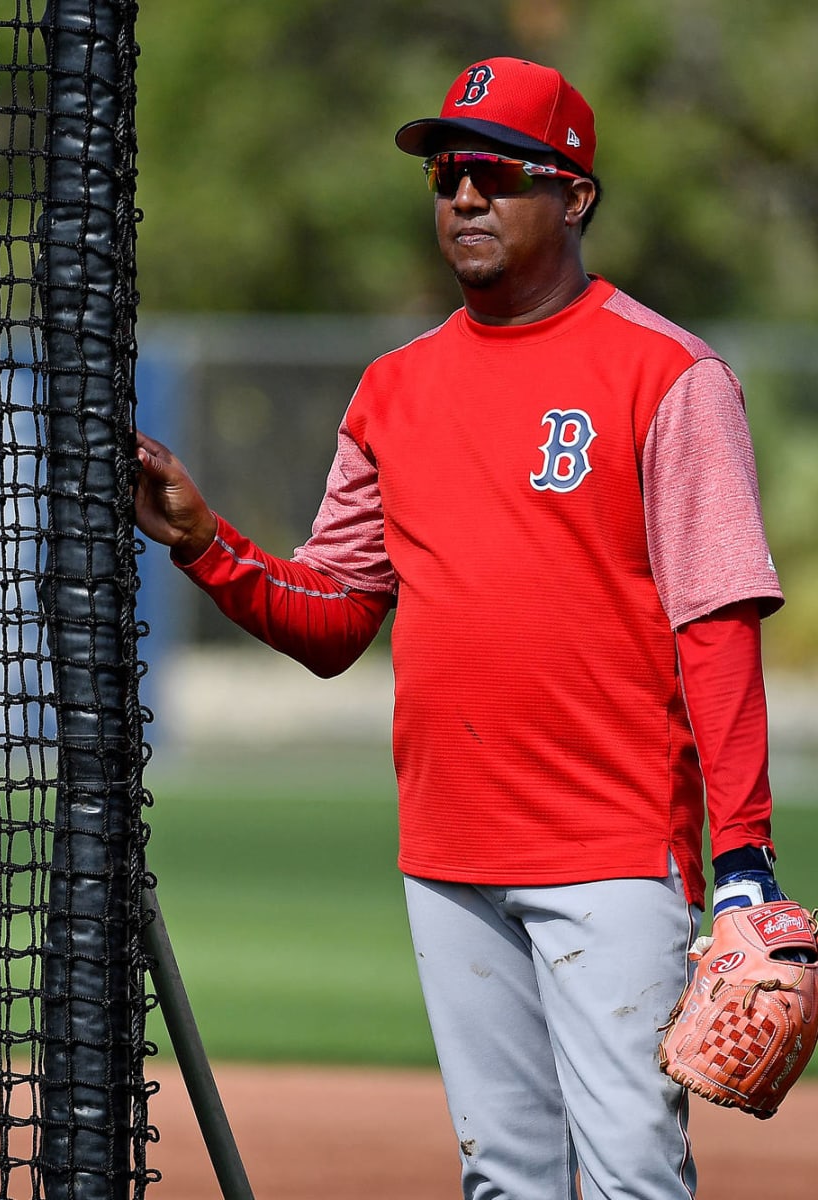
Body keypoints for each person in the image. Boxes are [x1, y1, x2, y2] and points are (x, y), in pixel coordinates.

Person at [134, 56, 786, 1200]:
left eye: (494, 171)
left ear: (574, 195)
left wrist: (743, 862)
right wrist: (206, 545)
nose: (463, 198)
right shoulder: (395, 388)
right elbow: (337, 617)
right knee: (506, 1181)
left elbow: (718, 624)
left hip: (615, 848)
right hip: (448, 849)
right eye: (444, 176)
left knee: (633, 1175)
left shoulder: (669, 374)